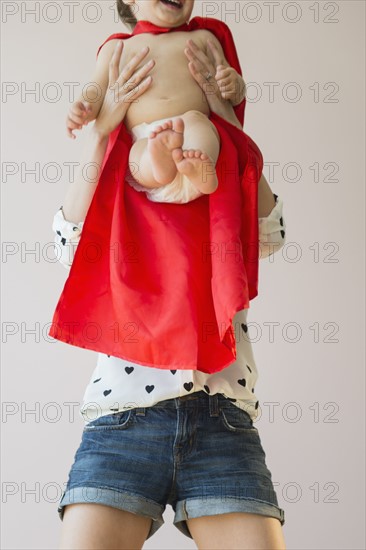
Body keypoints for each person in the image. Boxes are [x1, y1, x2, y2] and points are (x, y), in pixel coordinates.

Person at [54, 1, 287, 548]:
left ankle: (189, 165)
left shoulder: (221, 184)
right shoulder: (119, 194)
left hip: (221, 420)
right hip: (122, 418)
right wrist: (102, 131)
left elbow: (272, 233)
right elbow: (70, 243)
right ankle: (158, 166)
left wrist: (224, 121)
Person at [66, 2, 246, 204]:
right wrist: (82, 107)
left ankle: (200, 171)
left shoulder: (203, 38)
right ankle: (160, 167)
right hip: (147, 137)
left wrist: (234, 85)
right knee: (137, 154)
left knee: (200, 127)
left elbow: (233, 93)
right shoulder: (117, 48)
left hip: (191, 130)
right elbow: (95, 90)